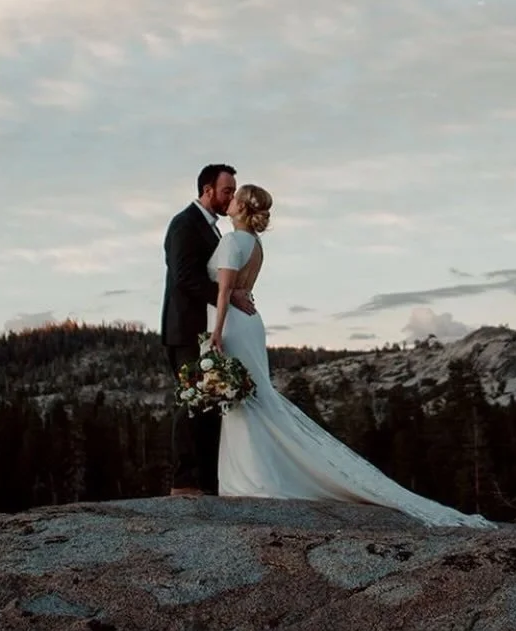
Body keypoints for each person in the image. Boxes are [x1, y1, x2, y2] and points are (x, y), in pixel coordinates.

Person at [209, 183, 495, 528]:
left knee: (243, 400)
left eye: (235, 198)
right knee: (253, 397)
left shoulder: (232, 241)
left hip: (234, 325)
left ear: (242, 207)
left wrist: (215, 333)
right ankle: (257, 474)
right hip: (252, 323)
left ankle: (251, 479)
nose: (230, 201)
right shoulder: (256, 245)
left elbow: (224, 291)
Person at [160, 164, 255, 497]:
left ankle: (205, 482)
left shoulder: (213, 230)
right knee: (193, 400)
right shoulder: (184, 224)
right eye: (227, 191)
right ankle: (183, 483)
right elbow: (185, 277)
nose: (231, 197)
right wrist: (228, 295)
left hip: (205, 330)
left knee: (210, 403)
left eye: (233, 191)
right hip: (185, 329)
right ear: (207, 190)